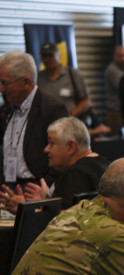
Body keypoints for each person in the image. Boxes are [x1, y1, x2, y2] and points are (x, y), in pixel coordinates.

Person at [0, 117, 109, 213]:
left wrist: (25, 209)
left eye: (52, 143)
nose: (46, 149)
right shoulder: (102, 162)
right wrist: (47, 200)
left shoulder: (76, 174)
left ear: (71, 147)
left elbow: (66, 223)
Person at [0, 50, 68, 187]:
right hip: (7, 187)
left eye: (5, 83)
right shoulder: (6, 111)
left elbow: (63, 158)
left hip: (34, 190)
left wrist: (43, 190)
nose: (1, 89)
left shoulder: (52, 109)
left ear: (26, 82)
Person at [37, 42, 91, 122]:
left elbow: (86, 101)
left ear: (58, 55)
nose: (47, 59)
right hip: (46, 124)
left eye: (50, 56)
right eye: (44, 56)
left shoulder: (72, 74)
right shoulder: (38, 78)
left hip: (69, 123)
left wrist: (70, 115)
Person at [104, 45, 124, 136]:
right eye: (120, 56)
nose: (123, 58)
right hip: (115, 111)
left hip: (122, 110)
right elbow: (122, 87)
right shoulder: (112, 70)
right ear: (114, 57)